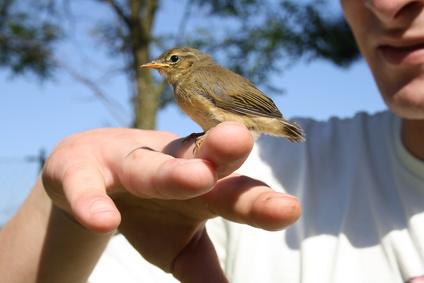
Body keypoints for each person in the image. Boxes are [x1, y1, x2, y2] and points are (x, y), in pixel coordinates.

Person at [1, 0, 424, 282]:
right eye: (164, 61)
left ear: (186, 65)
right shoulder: (228, 181)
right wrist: (66, 210)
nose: (388, 5)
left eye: (171, 62)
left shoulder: (199, 80)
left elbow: (245, 106)